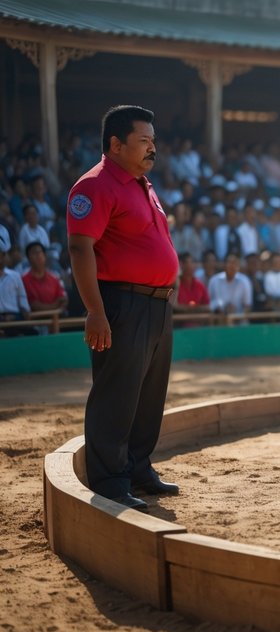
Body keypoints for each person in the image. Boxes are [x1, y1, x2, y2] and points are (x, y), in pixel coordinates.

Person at [66, 104, 180, 510]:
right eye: (143, 141)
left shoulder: (142, 184)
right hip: (121, 303)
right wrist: (94, 311)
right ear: (116, 144)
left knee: (149, 394)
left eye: (154, 141)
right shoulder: (94, 186)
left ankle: (136, 467)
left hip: (157, 304)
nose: (153, 148)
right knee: (117, 394)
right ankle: (110, 480)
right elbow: (81, 247)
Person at [21, 242, 67, 326]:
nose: (38, 255)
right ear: (28, 258)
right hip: (34, 323)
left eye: (40, 252)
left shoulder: (54, 278)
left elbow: (63, 300)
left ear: (45, 256)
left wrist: (56, 306)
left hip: (57, 321)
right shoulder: (23, 280)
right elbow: (34, 306)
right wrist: (55, 305)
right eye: (34, 253)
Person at [207, 252, 253, 317]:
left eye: (235, 263)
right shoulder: (214, 281)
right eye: (230, 262)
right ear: (224, 264)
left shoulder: (245, 281)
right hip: (218, 321)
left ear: (238, 266)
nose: (232, 266)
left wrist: (238, 316)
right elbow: (209, 304)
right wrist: (220, 310)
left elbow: (247, 306)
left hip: (239, 322)